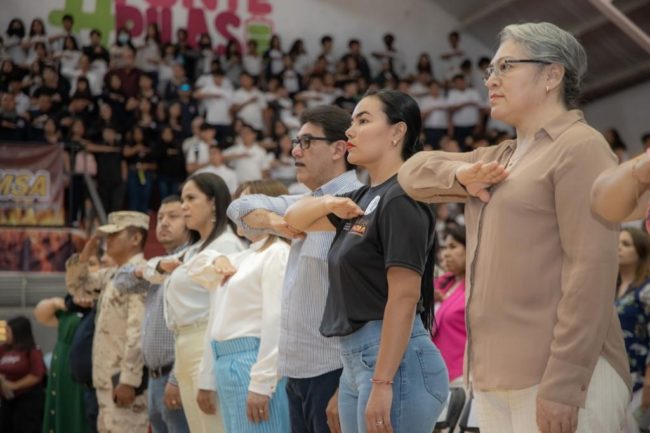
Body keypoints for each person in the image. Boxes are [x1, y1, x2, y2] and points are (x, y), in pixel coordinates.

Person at [398, 22, 631, 433]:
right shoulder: (501, 155)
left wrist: (564, 382)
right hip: (492, 377)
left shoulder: (580, 145)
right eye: (489, 70)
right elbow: (413, 172)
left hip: (560, 376)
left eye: (505, 66)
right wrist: (461, 178)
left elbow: (590, 273)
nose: (491, 80)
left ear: (551, 75)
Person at [284, 90, 447, 433]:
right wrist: (328, 203)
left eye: (363, 121)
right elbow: (295, 219)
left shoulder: (403, 196)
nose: (350, 132)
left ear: (396, 132)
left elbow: (404, 296)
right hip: (356, 358)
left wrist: (383, 382)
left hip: (392, 359)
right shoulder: (363, 197)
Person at [227, 105, 362, 433]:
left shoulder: (356, 202)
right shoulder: (304, 202)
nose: (294, 150)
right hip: (297, 371)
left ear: (338, 148)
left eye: (306, 142)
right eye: (295, 141)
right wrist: (277, 223)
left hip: (332, 372)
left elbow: (367, 305)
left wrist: (348, 383)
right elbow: (239, 206)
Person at [142, 173, 245, 433]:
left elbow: (222, 314)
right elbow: (150, 269)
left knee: (214, 426)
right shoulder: (193, 250)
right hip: (185, 346)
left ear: (212, 202)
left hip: (206, 346)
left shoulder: (227, 247)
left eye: (191, 198)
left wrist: (207, 375)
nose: (183, 206)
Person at [188, 180, 291, 432]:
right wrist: (217, 258)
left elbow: (276, 320)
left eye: (246, 205)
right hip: (226, 360)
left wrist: (262, 382)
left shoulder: (277, 253)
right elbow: (196, 268)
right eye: (236, 206)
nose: (237, 213)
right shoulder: (243, 256)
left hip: (252, 361)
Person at [65, 211, 151, 433]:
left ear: (135, 239)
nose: (107, 241)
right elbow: (78, 286)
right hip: (105, 381)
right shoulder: (115, 275)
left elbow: (137, 330)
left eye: (115, 235)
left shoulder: (138, 274)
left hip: (121, 382)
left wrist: (129, 380)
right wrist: (85, 255)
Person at [113, 196, 192, 433]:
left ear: (189, 221)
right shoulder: (159, 263)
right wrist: (149, 269)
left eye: (173, 217)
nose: (164, 223)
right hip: (155, 377)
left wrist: (176, 378)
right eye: (160, 218)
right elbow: (121, 280)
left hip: (177, 374)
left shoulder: (191, 259)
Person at [34, 295, 93, 433]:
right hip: (62, 373)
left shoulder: (101, 304)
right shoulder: (71, 305)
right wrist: (57, 302)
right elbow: (40, 314)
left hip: (84, 375)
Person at [615, 228, 650, 433]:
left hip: (639, 383)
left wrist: (648, 385)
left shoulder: (646, 290)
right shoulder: (610, 287)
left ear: (640, 251)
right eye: (618, 242)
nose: (619, 247)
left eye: (626, 244)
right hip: (617, 380)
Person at [433, 225, 467, 384]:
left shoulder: (477, 289)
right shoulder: (443, 284)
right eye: (444, 248)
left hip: (461, 378)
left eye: (453, 247)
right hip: (437, 376)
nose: (445, 253)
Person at [0, 316, 46, 433]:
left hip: (28, 400)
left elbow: (36, 374)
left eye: (8, 331)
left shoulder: (32, 350)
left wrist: (14, 385)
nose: (6, 334)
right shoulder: (3, 349)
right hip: (7, 400)